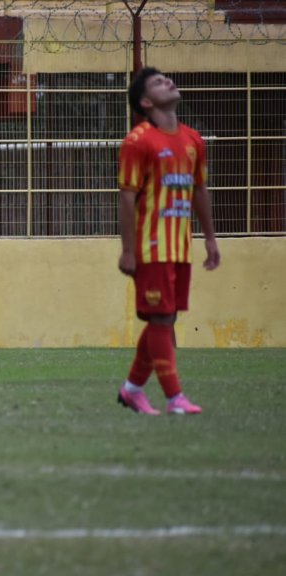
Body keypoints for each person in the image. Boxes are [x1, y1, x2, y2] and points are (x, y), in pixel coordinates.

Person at [116, 67, 221, 415]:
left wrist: (209, 238)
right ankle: (175, 397)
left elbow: (199, 190)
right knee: (161, 319)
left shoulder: (193, 140)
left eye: (168, 79)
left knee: (165, 317)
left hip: (180, 246)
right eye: (159, 82)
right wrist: (129, 250)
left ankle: (132, 389)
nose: (169, 82)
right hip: (151, 246)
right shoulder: (139, 141)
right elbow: (127, 197)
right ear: (146, 101)